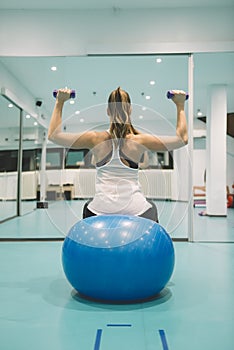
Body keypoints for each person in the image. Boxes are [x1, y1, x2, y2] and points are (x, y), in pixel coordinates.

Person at [48, 87, 188, 222]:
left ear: (108, 111)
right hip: (135, 209)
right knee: (152, 207)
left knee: (87, 207)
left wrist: (59, 102)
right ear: (130, 110)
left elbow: (54, 135)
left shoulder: (94, 138)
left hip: (100, 209)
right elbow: (182, 139)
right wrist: (180, 104)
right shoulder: (140, 140)